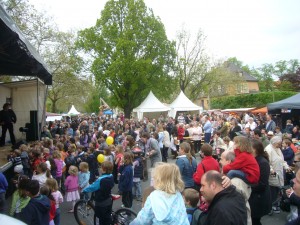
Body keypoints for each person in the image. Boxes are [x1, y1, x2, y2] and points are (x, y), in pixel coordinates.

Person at [83, 161, 114, 225]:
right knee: (107, 216)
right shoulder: (111, 176)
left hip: (100, 202)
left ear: (104, 170)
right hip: (108, 199)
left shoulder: (101, 179)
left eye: (101, 167)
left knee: (101, 218)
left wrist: (84, 190)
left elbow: (92, 187)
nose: (100, 168)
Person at [249, 139, 271, 225]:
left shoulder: (263, 163)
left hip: (259, 199)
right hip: (255, 197)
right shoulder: (253, 159)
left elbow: (262, 184)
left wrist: (247, 187)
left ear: (255, 149)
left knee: (255, 220)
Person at [265, 136, 290, 214]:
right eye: (279, 143)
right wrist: (272, 170)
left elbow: (282, 160)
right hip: (273, 173)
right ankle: (270, 206)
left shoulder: (278, 149)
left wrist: (286, 167)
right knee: (272, 190)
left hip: (279, 172)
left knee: (277, 190)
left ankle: (275, 205)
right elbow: (267, 163)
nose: (281, 145)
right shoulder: (268, 149)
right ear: (274, 143)